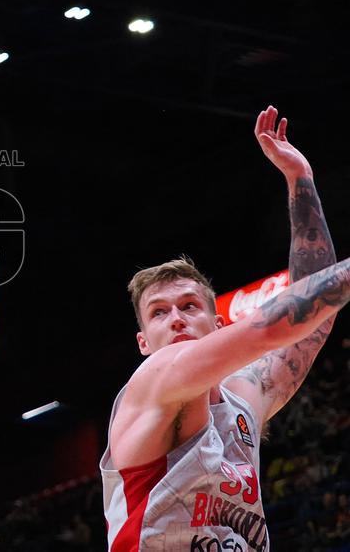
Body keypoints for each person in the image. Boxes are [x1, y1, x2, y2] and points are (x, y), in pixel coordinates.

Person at [101, 106, 341, 551]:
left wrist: (300, 178)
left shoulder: (242, 400)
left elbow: (314, 323)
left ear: (217, 324)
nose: (176, 318)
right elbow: (278, 326)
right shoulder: (155, 383)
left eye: (189, 306)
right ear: (143, 344)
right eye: (158, 313)